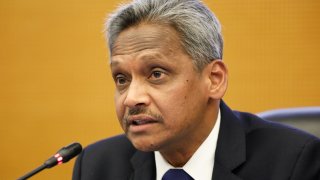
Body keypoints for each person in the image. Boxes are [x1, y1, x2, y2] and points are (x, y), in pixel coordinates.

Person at [73, 0, 320, 179]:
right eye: (122, 79)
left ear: (214, 79)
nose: (132, 98)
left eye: (156, 74)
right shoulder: (98, 167)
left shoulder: (293, 164)